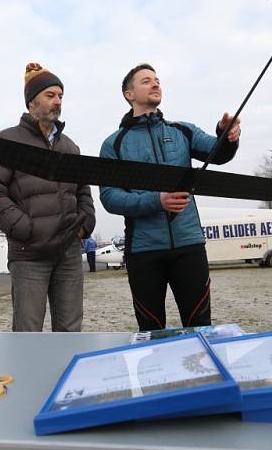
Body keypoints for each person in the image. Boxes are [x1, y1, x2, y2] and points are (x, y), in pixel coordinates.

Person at [99, 64, 241, 331]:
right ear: (129, 94)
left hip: (189, 245)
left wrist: (227, 134)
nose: (155, 84)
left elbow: (218, 153)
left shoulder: (182, 131)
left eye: (157, 80)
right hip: (144, 251)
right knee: (152, 331)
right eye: (146, 81)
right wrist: (156, 201)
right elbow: (109, 197)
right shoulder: (114, 143)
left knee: (200, 326)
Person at [0, 62, 96, 332]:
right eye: (50, 95)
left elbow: (83, 190)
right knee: (28, 331)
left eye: (61, 96)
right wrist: (27, 229)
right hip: (29, 253)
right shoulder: (7, 141)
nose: (58, 102)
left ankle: (67, 374)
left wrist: (83, 226)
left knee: (70, 330)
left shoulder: (70, 147)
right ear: (32, 102)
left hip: (68, 251)